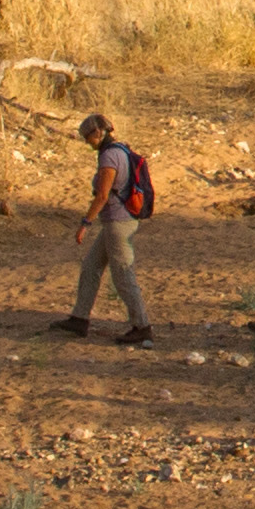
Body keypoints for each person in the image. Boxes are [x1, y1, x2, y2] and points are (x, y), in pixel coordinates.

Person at [59, 109, 155, 342]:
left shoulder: (109, 157)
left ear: (99, 133)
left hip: (118, 223)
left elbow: (102, 195)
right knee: (91, 266)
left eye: (88, 136)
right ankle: (79, 319)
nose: (86, 141)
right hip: (119, 222)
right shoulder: (119, 150)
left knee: (123, 275)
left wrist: (85, 223)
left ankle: (142, 327)